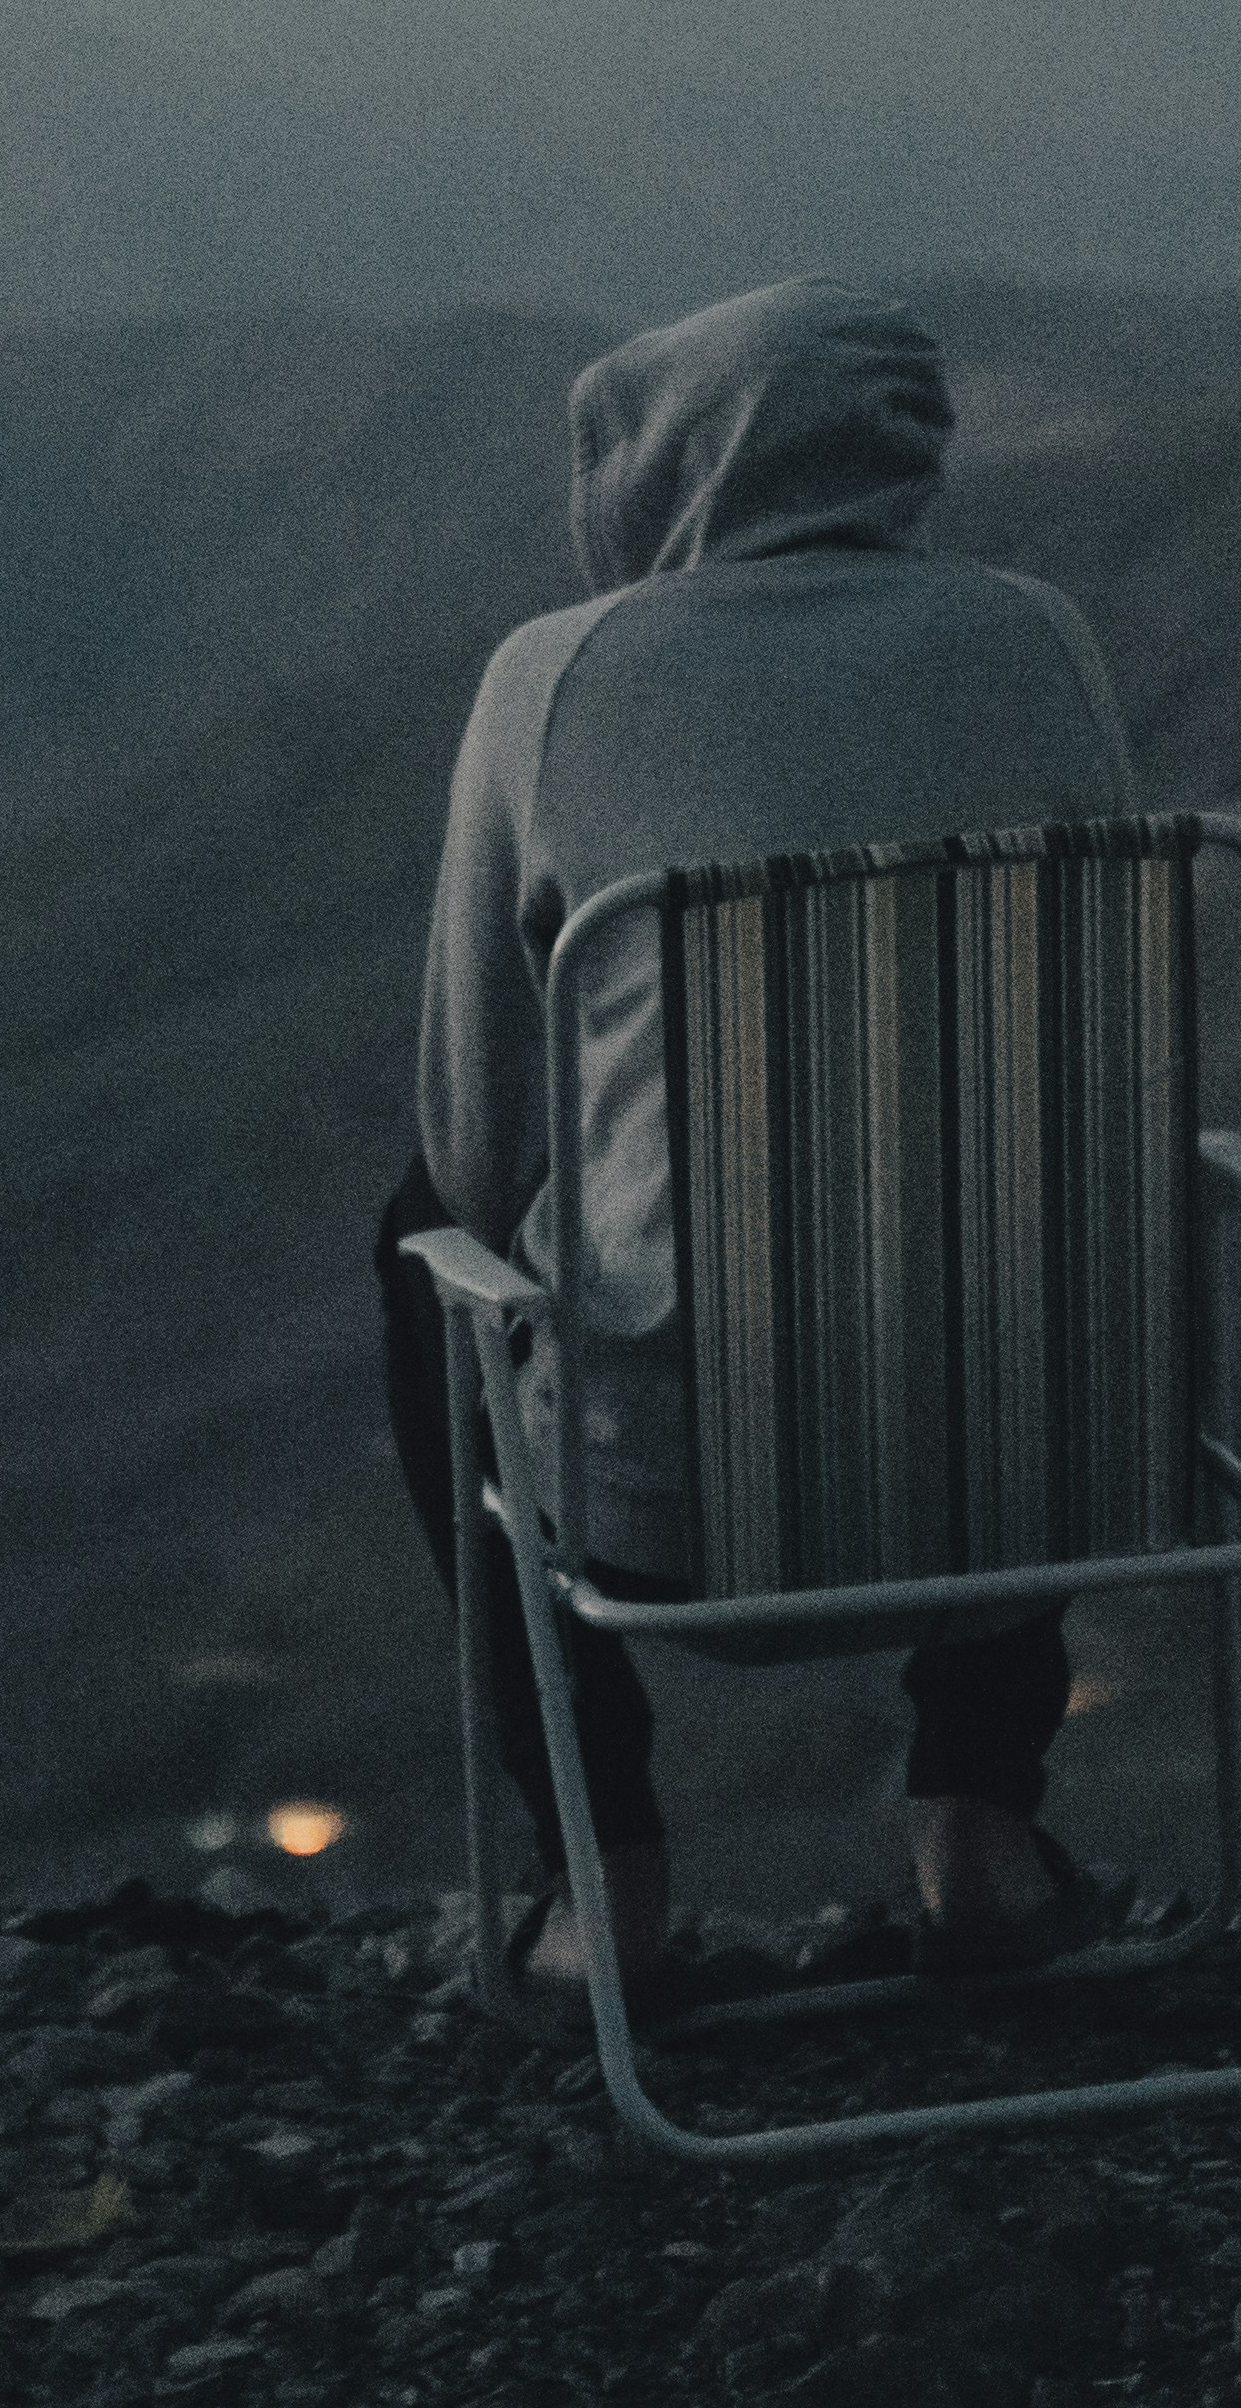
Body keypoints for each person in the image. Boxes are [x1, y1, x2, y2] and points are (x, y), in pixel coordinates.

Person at [379, 271, 1136, 2010]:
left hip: (673, 1496)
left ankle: (607, 1887)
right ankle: (982, 1835)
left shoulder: (554, 679)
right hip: (1053, 1465)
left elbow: (476, 1135)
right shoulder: (1040, 641)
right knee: (1014, 1195)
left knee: (422, 1242)